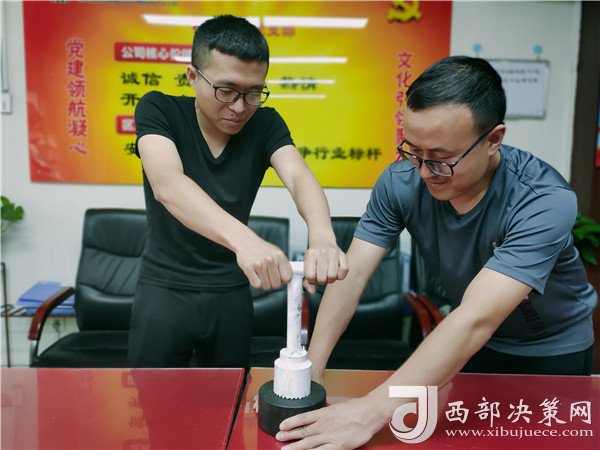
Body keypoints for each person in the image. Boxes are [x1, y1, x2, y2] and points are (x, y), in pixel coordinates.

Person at [275, 56, 597, 449]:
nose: (425, 171)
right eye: (413, 150)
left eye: (442, 158)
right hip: (469, 347)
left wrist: (369, 412)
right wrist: (311, 374)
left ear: (494, 139)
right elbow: (353, 274)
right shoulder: (401, 182)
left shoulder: (542, 201)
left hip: (550, 350)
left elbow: (475, 318)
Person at [128, 15, 348, 369]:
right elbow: (168, 184)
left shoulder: (265, 123)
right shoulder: (159, 109)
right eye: (226, 90)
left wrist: (323, 237)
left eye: (253, 93)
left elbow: (298, 177)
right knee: (154, 395)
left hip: (231, 291)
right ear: (193, 76)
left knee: (231, 394)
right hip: (164, 289)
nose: (240, 107)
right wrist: (246, 241)